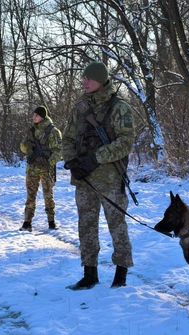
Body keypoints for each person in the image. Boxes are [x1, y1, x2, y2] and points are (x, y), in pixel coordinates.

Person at [62, 61, 135, 290]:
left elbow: (125, 142)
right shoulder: (80, 107)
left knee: (117, 226)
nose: (84, 82)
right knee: (86, 226)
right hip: (84, 179)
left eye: (89, 78)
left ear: (101, 80)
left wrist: (96, 158)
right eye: (83, 78)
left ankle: (120, 275)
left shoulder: (119, 107)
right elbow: (68, 138)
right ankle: (89, 273)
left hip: (110, 179)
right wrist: (72, 162)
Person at [19, 106, 62, 231]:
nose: (34, 117)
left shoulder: (53, 132)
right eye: (33, 115)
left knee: (48, 196)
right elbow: (22, 147)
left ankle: (51, 222)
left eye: (36, 115)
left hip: (46, 169)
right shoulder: (31, 131)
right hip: (32, 168)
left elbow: (59, 151)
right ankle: (27, 222)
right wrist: (27, 146)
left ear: (43, 116)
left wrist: (49, 163)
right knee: (30, 196)